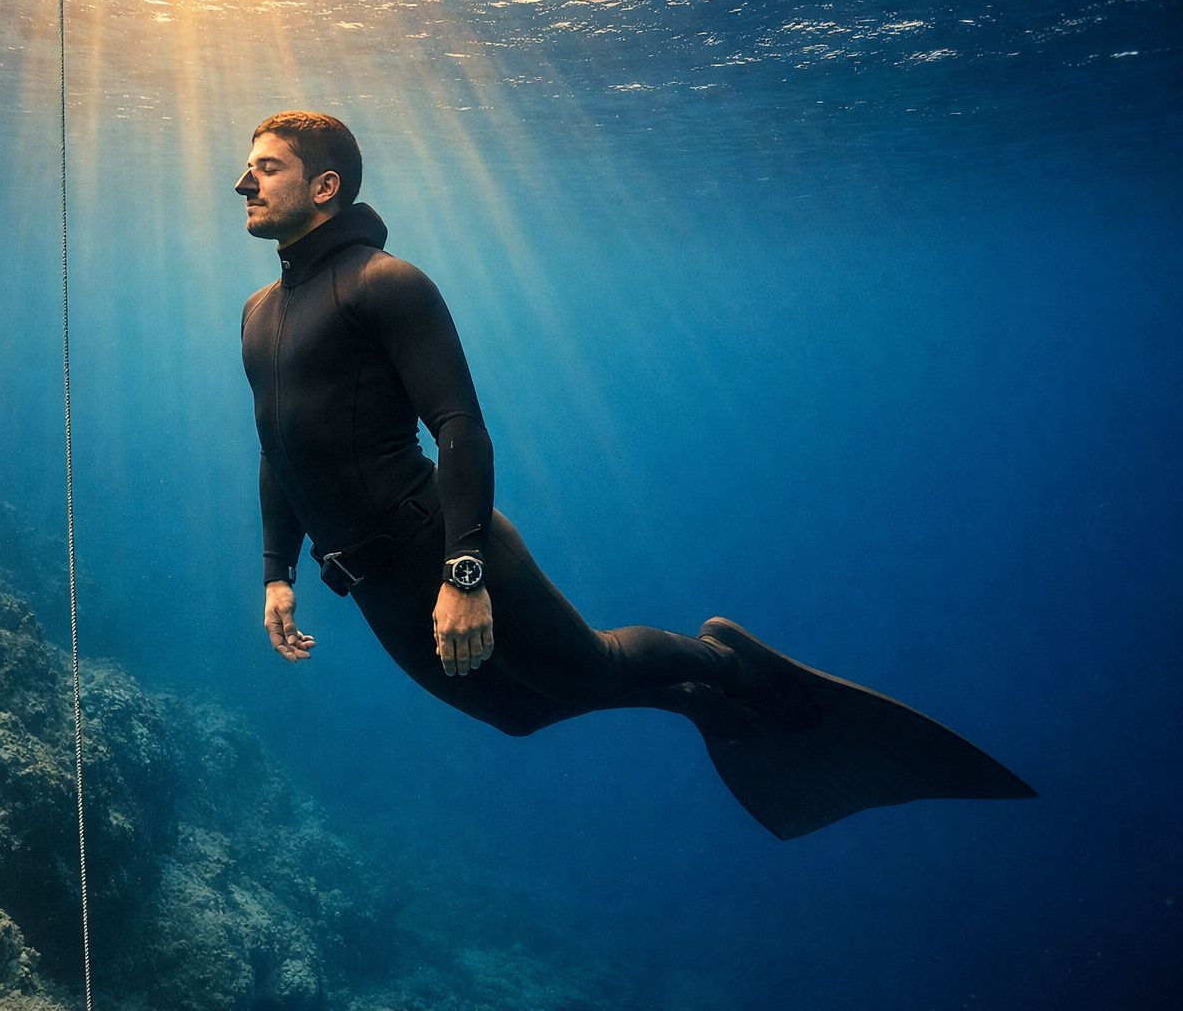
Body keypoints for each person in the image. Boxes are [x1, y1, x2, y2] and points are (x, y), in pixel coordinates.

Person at [234, 111, 1034, 839]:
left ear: (325, 186)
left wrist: (464, 573)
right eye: (250, 168)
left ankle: (725, 664)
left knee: (592, 670)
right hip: (368, 577)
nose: (244, 181)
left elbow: (460, 430)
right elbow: (280, 449)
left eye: (267, 167)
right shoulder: (259, 312)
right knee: (517, 714)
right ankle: (688, 699)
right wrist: (278, 573)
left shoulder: (385, 284)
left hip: (439, 543)